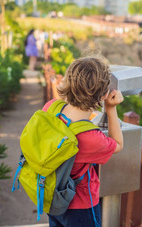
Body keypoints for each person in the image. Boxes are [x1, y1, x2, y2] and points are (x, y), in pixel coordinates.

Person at [42, 56, 124, 227]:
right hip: (81, 206)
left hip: (52, 195)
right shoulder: (91, 139)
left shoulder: (51, 107)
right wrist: (111, 108)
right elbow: (118, 144)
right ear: (103, 94)